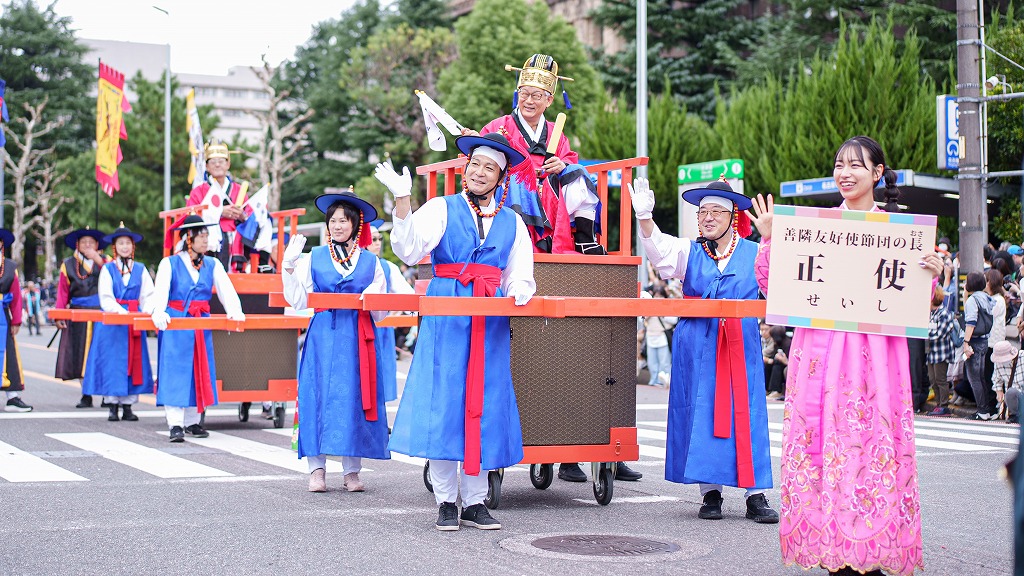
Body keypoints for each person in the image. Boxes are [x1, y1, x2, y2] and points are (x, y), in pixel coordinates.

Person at [749, 135, 942, 575]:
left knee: (868, 451)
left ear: (877, 173)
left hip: (875, 363)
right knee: (823, 453)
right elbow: (773, 286)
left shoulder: (900, 234)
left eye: (856, 165)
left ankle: (868, 549)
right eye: (839, 164)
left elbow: (914, 299)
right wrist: (770, 238)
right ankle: (835, 550)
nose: (845, 173)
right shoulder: (815, 228)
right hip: (819, 358)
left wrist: (933, 272)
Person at [377, 133, 535, 531]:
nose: (479, 173)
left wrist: (518, 290)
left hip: (489, 317)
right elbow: (409, 249)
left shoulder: (513, 221)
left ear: (500, 177)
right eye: (475, 165)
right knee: (444, 401)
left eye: (489, 168)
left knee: (485, 401)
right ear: (466, 169)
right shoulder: (442, 207)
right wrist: (402, 201)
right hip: (447, 311)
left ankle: (476, 501)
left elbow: (520, 271)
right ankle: (447, 500)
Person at [628, 173, 778, 523]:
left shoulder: (755, 252)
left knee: (747, 411)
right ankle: (710, 492)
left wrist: (770, 238)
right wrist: (644, 217)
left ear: (733, 216)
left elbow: (777, 284)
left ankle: (755, 493)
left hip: (740, 342)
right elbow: (659, 250)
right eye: (702, 212)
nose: (707, 218)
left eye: (716, 211)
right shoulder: (689, 251)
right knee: (701, 411)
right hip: (697, 344)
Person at [282, 190, 391, 493]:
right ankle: (316, 469)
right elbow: (297, 299)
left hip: (357, 336)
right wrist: (289, 267)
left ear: (356, 224)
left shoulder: (371, 262)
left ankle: (351, 471)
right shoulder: (314, 257)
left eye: (343, 220)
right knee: (316, 396)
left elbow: (381, 312)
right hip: (323, 336)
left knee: (355, 397)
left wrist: (373, 298)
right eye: (333, 220)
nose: (337, 226)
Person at [462, 54, 603, 255]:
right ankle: (519, 239)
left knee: (578, 171)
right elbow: (484, 160)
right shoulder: (499, 126)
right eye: (524, 94)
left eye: (536, 96)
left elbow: (569, 159)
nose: (528, 101)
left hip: (551, 193)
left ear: (549, 100)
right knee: (517, 180)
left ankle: (584, 239)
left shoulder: (555, 132)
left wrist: (561, 165)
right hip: (512, 191)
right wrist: (478, 141)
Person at [150, 214, 245, 442]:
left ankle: (192, 421)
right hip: (177, 322)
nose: (205, 240)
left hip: (201, 322)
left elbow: (226, 291)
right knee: (175, 371)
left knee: (198, 370)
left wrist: (235, 311)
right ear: (188, 239)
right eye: (200, 236)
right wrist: (158, 311)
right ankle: (175, 423)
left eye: (206, 235)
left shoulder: (212, 264)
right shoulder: (169, 263)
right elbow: (160, 293)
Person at [81, 224, 155, 422]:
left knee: (134, 361)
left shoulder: (140, 269)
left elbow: (148, 295)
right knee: (112, 363)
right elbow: (106, 297)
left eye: (128, 243)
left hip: (133, 322)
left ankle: (128, 406)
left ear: (133, 246)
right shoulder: (107, 269)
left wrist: (147, 311)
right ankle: (112, 405)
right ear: (114, 246)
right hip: (112, 324)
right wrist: (122, 313)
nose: (124, 247)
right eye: (121, 243)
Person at [54, 227, 109, 409]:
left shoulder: (106, 262)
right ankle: (86, 393)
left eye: (91, 242)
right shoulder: (68, 264)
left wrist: (98, 260)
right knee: (80, 354)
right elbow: (63, 292)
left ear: (97, 245)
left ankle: (107, 395)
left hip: (102, 312)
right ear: (77, 245)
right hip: (78, 313)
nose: (87, 245)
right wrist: (59, 314)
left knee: (102, 353)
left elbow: (115, 278)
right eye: (83, 242)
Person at [365, 219, 416, 403]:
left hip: (381, 329)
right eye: (373, 239)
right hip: (358, 327)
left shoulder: (388, 267)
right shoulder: (353, 265)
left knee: (380, 377)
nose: (377, 243)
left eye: (379, 239)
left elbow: (408, 296)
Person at [184, 140, 254, 272]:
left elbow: (249, 215)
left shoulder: (238, 190)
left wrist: (242, 215)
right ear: (206, 166)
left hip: (234, 239)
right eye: (212, 162)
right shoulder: (198, 191)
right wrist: (219, 212)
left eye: (221, 161)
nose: (217, 164)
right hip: (208, 239)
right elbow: (190, 216)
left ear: (228, 164)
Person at [0, 229, 30, 412]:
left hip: (3, 316)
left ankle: (12, 397)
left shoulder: (10, 267)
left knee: (8, 354)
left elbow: (16, 295)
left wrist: (16, 320)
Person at [964, 271, 996, 420]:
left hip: (974, 341)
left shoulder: (973, 300)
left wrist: (966, 343)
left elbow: (970, 322)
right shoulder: (986, 297)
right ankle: (985, 409)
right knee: (981, 377)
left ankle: (982, 411)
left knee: (974, 378)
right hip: (984, 341)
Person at [926, 283, 957, 416]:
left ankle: (944, 406)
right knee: (933, 380)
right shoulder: (931, 313)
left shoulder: (944, 313)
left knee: (940, 379)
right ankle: (938, 404)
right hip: (931, 352)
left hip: (942, 352)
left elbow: (939, 334)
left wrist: (924, 334)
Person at [643, 285, 676, 387]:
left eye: (660, 296)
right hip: (650, 336)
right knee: (652, 362)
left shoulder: (668, 306)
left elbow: (674, 320)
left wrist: (662, 314)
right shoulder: (649, 307)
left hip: (662, 337)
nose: (658, 298)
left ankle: (665, 381)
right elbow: (641, 319)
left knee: (664, 362)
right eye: (656, 296)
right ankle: (653, 380)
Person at [992, 340, 1024, 424]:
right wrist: (999, 391)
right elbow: (996, 379)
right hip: (1012, 395)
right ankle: (1014, 415)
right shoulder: (998, 363)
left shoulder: (1022, 357)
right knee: (1010, 392)